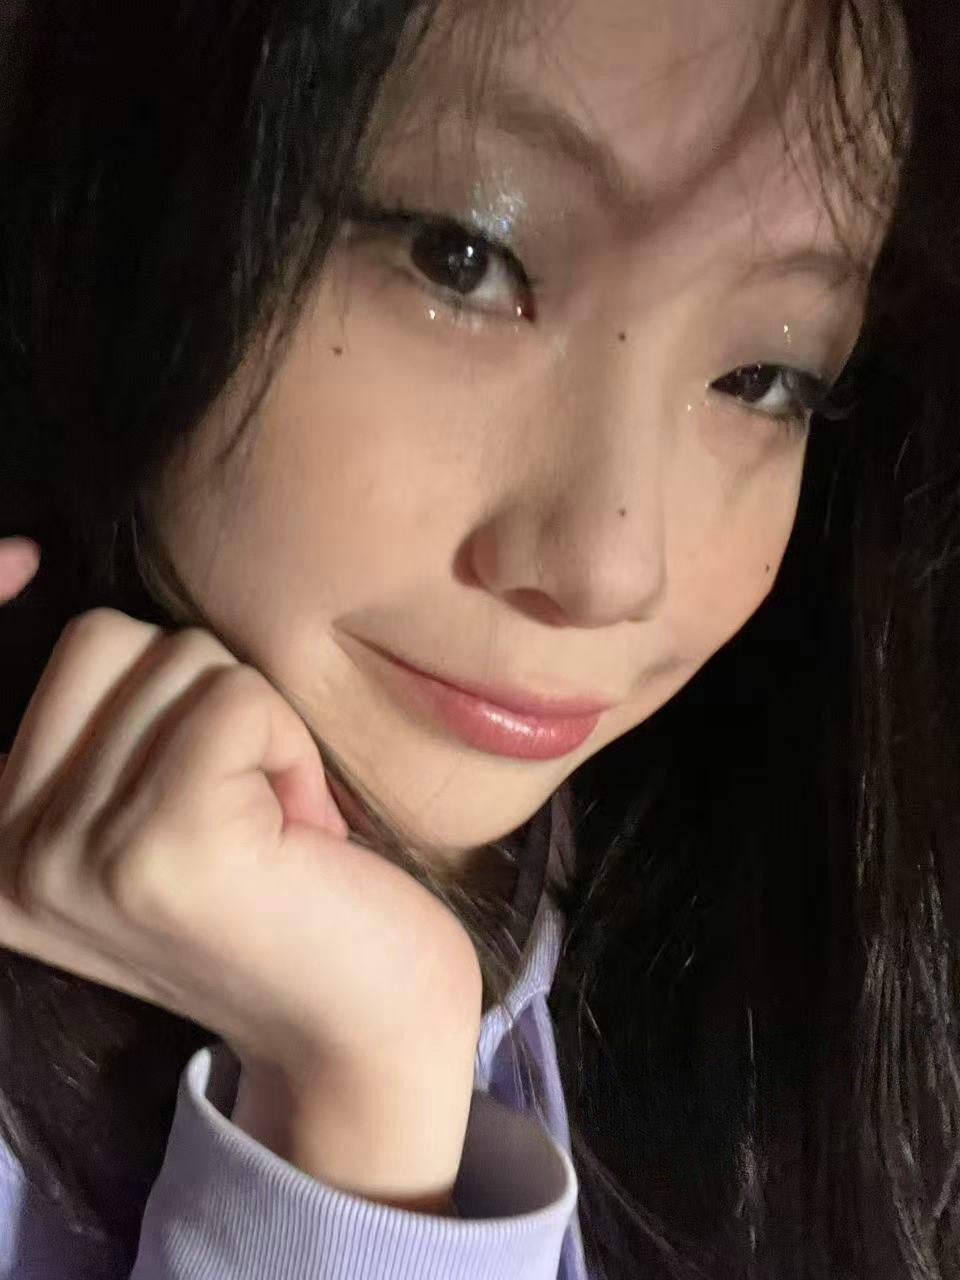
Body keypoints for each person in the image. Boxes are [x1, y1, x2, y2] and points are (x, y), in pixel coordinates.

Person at [0, 0, 956, 1276]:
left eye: (765, 376)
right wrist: (357, 1119)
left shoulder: (791, 966)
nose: (610, 566)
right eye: (463, 259)